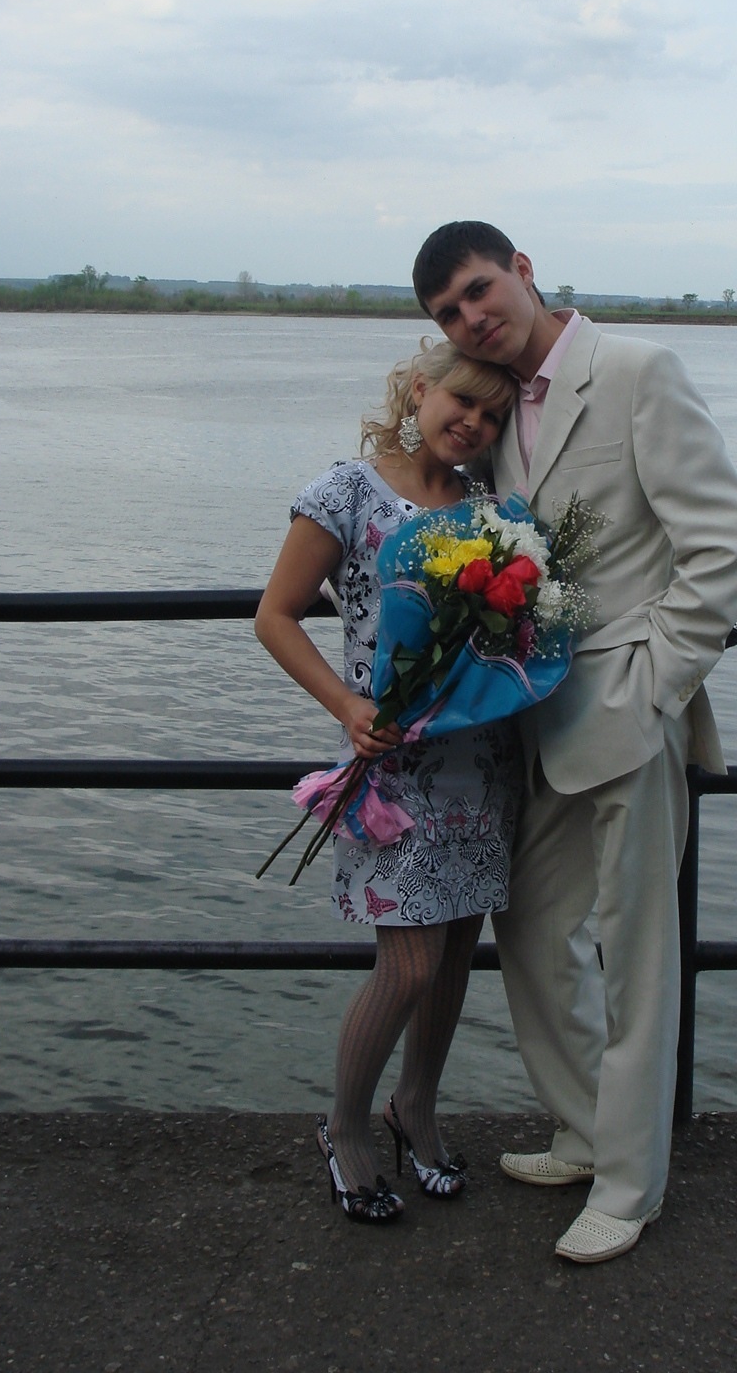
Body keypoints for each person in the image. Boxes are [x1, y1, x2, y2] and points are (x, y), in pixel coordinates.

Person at [412, 220, 737, 1263]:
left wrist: (658, 685)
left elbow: (724, 544)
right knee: (527, 931)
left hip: (629, 711)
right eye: (447, 313)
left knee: (639, 955)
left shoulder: (639, 371)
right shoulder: (492, 406)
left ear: (522, 270)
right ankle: (585, 1130)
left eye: (479, 290)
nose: (471, 317)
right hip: (536, 718)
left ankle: (630, 1184)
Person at [255, 339, 522, 1224]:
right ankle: (345, 1126)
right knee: (406, 965)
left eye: (491, 414)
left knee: (453, 956)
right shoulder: (348, 490)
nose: (472, 422)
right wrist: (346, 705)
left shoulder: (490, 512)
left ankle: (417, 1108)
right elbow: (275, 615)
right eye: (461, 401)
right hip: (390, 766)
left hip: (479, 763)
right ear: (418, 391)